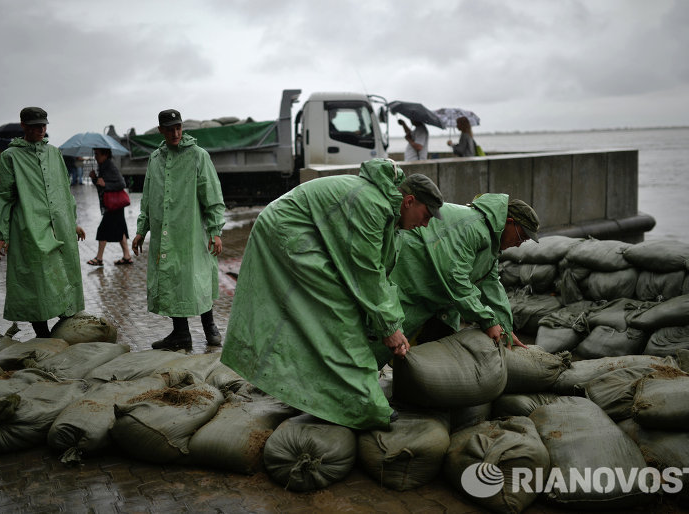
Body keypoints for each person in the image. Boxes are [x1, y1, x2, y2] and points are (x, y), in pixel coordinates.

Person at [221, 159, 444, 430]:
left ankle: (315, 388)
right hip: (288, 232)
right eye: (427, 214)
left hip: (301, 233)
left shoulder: (386, 211)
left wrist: (390, 321)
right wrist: (389, 328)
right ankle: (362, 404)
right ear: (409, 201)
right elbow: (366, 274)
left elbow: (379, 274)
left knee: (336, 310)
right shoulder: (373, 205)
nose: (426, 223)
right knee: (338, 313)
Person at [390, 194, 539, 349]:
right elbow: (455, 277)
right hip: (408, 277)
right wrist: (487, 321)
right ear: (509, 222)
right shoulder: (474, 228)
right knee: (382, 341)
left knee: (432, 352)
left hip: (433, 295)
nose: (518, 245)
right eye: (521, 237)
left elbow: (491, 284)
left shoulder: (491, 243)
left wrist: (505, 327)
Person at [0, 107, 86, 338]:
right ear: (24, 126)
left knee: (64, 273)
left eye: (44, 125)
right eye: (36, 126)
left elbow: (64, 189)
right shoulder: (10, 157)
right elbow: (2, 197)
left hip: (60, 226)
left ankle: (65, 329)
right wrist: (3, 235)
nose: (41, 130)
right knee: (35, 279)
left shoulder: (54, 153)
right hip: (29, 228)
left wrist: (72, 222)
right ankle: (42, 333)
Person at [132, 109, 226, 349]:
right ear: (161, 131)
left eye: (178, 127)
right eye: (170, 129)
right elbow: (148, 196)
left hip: (191, 232)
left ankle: (210, 328)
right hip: (165, 233)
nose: (175, 133)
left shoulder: (198, 156)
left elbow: (212, 195)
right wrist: (141, 229)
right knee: (170, 278)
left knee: (198, 277)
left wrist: (215, 231)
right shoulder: (155, 158)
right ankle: (181, 333)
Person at [86, 148, 133, 266]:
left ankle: (99, 258)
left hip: (113, 205)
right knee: (120, 229)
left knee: (103, 229)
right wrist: (94, 178)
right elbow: (101, 186)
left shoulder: (109, 166)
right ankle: (127, 256)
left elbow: (121, 183)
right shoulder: (103, 166)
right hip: (113, 204)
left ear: (105, 154)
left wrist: (105, 183)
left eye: (97, 154)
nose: (95, 157)